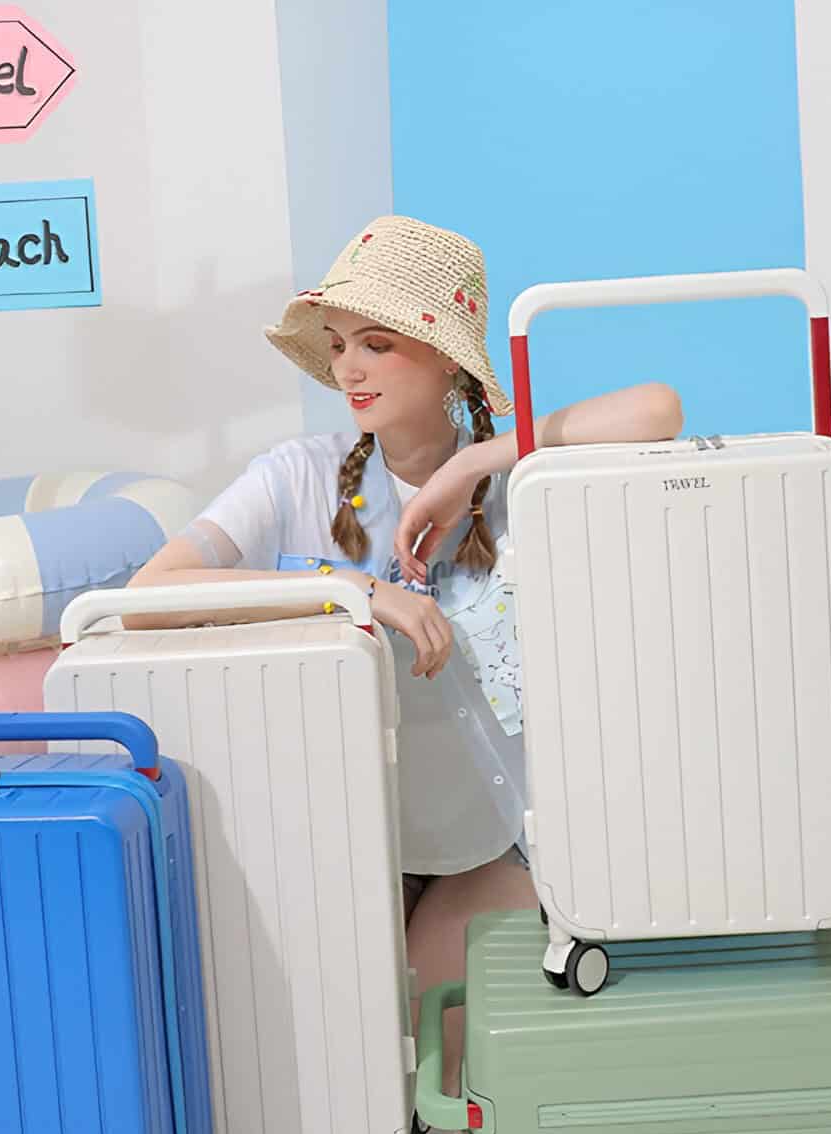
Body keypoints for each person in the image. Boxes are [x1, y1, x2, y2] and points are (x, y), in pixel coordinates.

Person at [128, 214, 682, 1087]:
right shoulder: (298, 476)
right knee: (339, 1057)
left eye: (376, 344)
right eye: (339, 345)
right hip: (344, 840)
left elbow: (657, 411)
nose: (347, 369)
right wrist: (349, 588)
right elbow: (148, 597)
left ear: (447, 361)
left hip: (486, 843)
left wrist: (473, 465)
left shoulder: (521, 483)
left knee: (429, 1047)